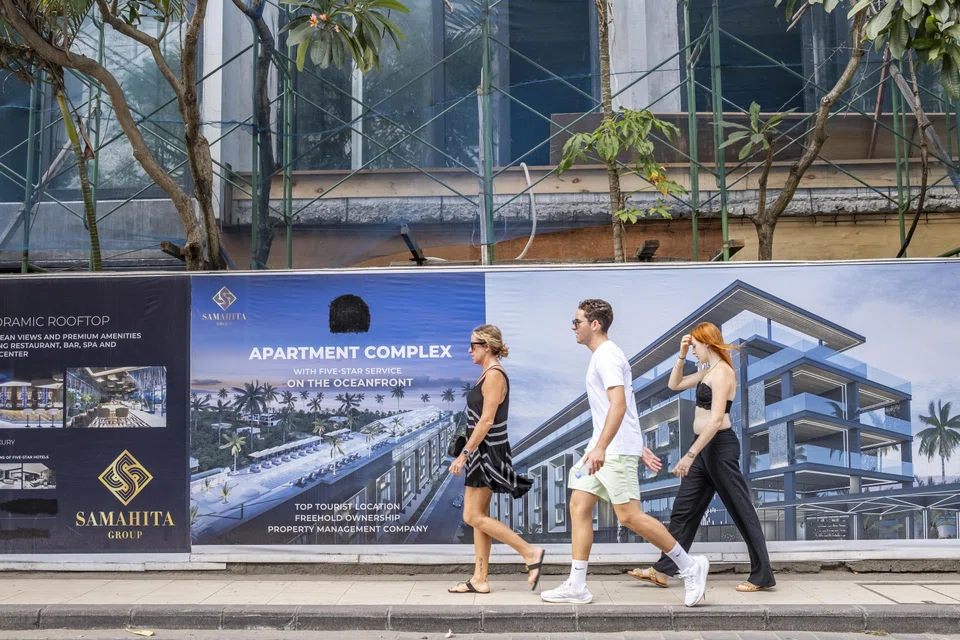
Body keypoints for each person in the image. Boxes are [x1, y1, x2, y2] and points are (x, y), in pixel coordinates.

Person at [541, 300, 710, 607]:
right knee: (579, 505)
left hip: (611, 451)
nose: (572, 327)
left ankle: (689, 566)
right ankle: (577, 585)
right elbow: (625, 407)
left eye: (576, 321)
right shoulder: (604, 356)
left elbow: (619, 404)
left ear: (594, 324)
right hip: (607, 446)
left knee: (629, 516)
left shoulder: (606, 357)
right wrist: (638, 444)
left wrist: (608, 447)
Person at [628, 322, 775, 593]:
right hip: (702, 446)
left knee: (740, 509)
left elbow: (717, 418)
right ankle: (663, 571)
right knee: (684, 510)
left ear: (707, 343)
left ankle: (762, 574)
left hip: (719, 447)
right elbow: (674, 384)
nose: (694, 352)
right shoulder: (708, 372)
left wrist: (689, 455)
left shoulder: (723, 374)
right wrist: (682, 354)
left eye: (695, 347)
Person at [448, 324, 545, 595]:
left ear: (487, 347)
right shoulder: (487, 374)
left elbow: (487, 419)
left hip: (486, 453)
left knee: (471, 515)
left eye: (473, 346)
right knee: (479, 517)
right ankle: (480, 578)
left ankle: (530, 552)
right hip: (484, 451)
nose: (469, 350)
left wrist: (464, 453)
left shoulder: (494, 376)